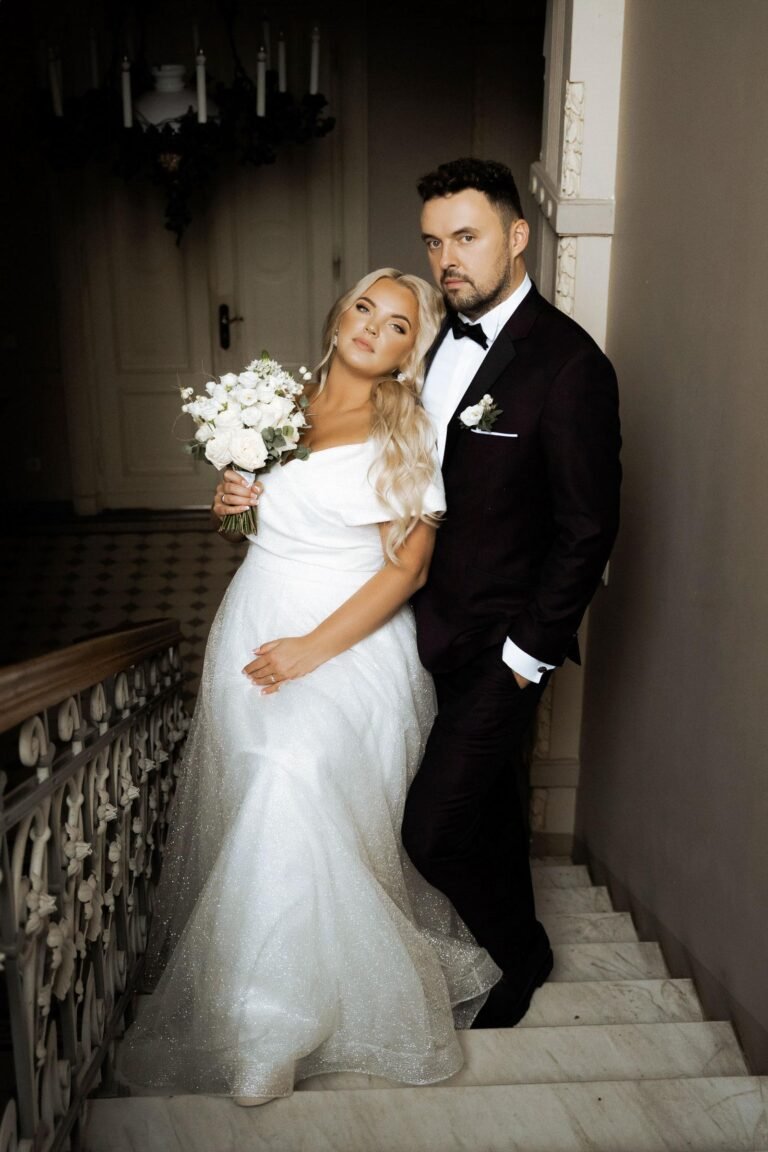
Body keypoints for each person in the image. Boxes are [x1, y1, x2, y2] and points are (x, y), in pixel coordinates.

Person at [118, 269, 499, 1105]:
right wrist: (230, 504)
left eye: (398, 324)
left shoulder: (408, 431)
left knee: (291, 781)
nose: (372, 327)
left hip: (350, 642)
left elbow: (407, 572)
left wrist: (309, 652)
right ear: (340, 313)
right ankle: (268, 990)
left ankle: (270, 1028)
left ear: (410, 352)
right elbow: (251, 526)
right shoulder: (275, 401)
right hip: (254, 621)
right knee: (260, 787)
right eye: (365, 307)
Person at [401, 158, 622, 1028]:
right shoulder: (426, 340)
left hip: (501, 644)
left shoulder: (569, 366)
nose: (446, 258)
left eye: (466, 236)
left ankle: (521, 953)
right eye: (433, 242)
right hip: (419, 630)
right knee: (487, 808)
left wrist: (524, 658)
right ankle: (513, 945)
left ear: (516, 236)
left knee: (431, 830)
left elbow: (586, 529)